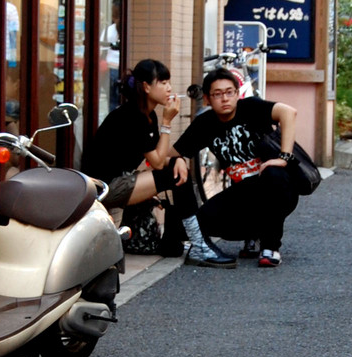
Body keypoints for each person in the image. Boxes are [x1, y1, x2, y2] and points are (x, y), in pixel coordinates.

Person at [81, 58, 234, 267]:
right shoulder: (133, 117)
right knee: (171, 174)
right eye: (162, 82)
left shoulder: (146, 114)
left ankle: (192, 241)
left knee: (176, 170)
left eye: (168, 82)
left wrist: (178, 159)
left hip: (119, 181)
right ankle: (198, 245)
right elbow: (158, 162)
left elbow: (158, 157)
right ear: (146, 87)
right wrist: (167, 122)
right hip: (104, 187)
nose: (169, 88)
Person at [171, 67, 300, 267]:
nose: (225, 99)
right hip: (242, 194)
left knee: (274, 175)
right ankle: (253, 232)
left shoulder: (250, 107)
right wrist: (179, 158)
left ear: (237, 93)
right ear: (207, 99)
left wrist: (284, 157)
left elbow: (289, 113)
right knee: (196, 223)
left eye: (229, 92)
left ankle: (270, 246)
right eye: (218, 94)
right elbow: (174, 152)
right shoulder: (205, 123)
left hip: (276, 187)